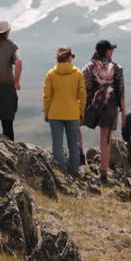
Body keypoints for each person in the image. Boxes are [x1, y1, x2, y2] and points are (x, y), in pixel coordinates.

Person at [82, 39, 126, 183]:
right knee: (105, 140)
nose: (112, 51)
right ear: (107, 51)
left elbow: (84, 86)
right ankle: (104, 174)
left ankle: (80, 162)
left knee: (74, 125)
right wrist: (123, 113)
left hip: (93, 105)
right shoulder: (117, 68)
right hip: (111, 107)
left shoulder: (89, 67)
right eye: (111, 49)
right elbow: (121, 92)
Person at [43, 46, 86, 174]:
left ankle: (61, 173)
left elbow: (47, 96)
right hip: (73, 113)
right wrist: (81, 112)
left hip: (55, 113)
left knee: (57, 145)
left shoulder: (51, 74)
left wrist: (46, 112)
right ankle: (74, 172)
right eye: (72, 56)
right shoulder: (78, 73)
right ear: (69, 58)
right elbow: (83, 96)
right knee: (73, 144)